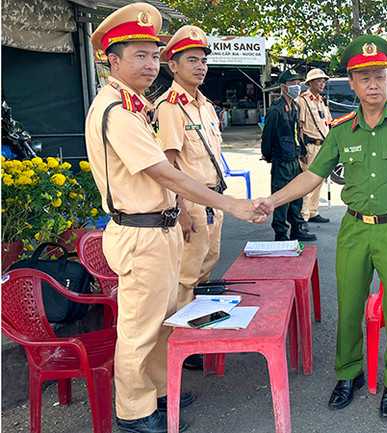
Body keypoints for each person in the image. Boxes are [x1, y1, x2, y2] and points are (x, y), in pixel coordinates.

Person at [85, 4, 264, 432]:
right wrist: (231, 205)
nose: (150, 64)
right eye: (140, 56)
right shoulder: (116, 111)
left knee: (164, 318)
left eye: (153, 55)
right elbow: (165, 171)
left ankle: (160, 391)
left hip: (158, 229)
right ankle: (134, 412)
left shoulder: (134, 107)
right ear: (113, 61)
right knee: (139, 330)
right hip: (140, 232)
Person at [255, 35, 387, 420]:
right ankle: (349, 373)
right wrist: (272, 201)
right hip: (355, 230)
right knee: (350, 305)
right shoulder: (341, 130)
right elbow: (312, 176)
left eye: (380, 76)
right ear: (352, 84)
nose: (374, 85)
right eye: (364, 78)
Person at [155, 25, 226, 370]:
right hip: (191, 205)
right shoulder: (170, 108)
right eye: (192, 60)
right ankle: (182, 344)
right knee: (186, 277)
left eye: (203, 61)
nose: (200, 67)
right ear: (173, 66)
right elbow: (167, 167)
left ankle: (197, 330)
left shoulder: (206, 106)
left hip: (213, 200)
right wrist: (180, 211)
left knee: (205, 269)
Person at [261, 69, 316, 241]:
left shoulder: (295, 107)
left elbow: (297, 132)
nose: (296, 87)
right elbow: (267, 137)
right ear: (283, 86)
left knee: (296, 195)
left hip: (294, 158)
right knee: (281, 197)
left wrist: (303, 151)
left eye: (297, 83)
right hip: (282, 160)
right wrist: (268, 155)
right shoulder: (276, 110)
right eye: (292, 84)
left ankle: (297, 228)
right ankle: (280, 233)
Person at [297, 68, 332, 224]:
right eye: (319, 81)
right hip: (310, 146)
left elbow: (327, 123)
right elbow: (299, 127)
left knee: (319, 180)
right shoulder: (303, 101)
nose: (322, 84)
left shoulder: (321, 101)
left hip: (322, 146)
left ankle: (312, 211)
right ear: (310, 83)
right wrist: (302, 149)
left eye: (323, 81)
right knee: (308, 181)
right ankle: (303, 215)